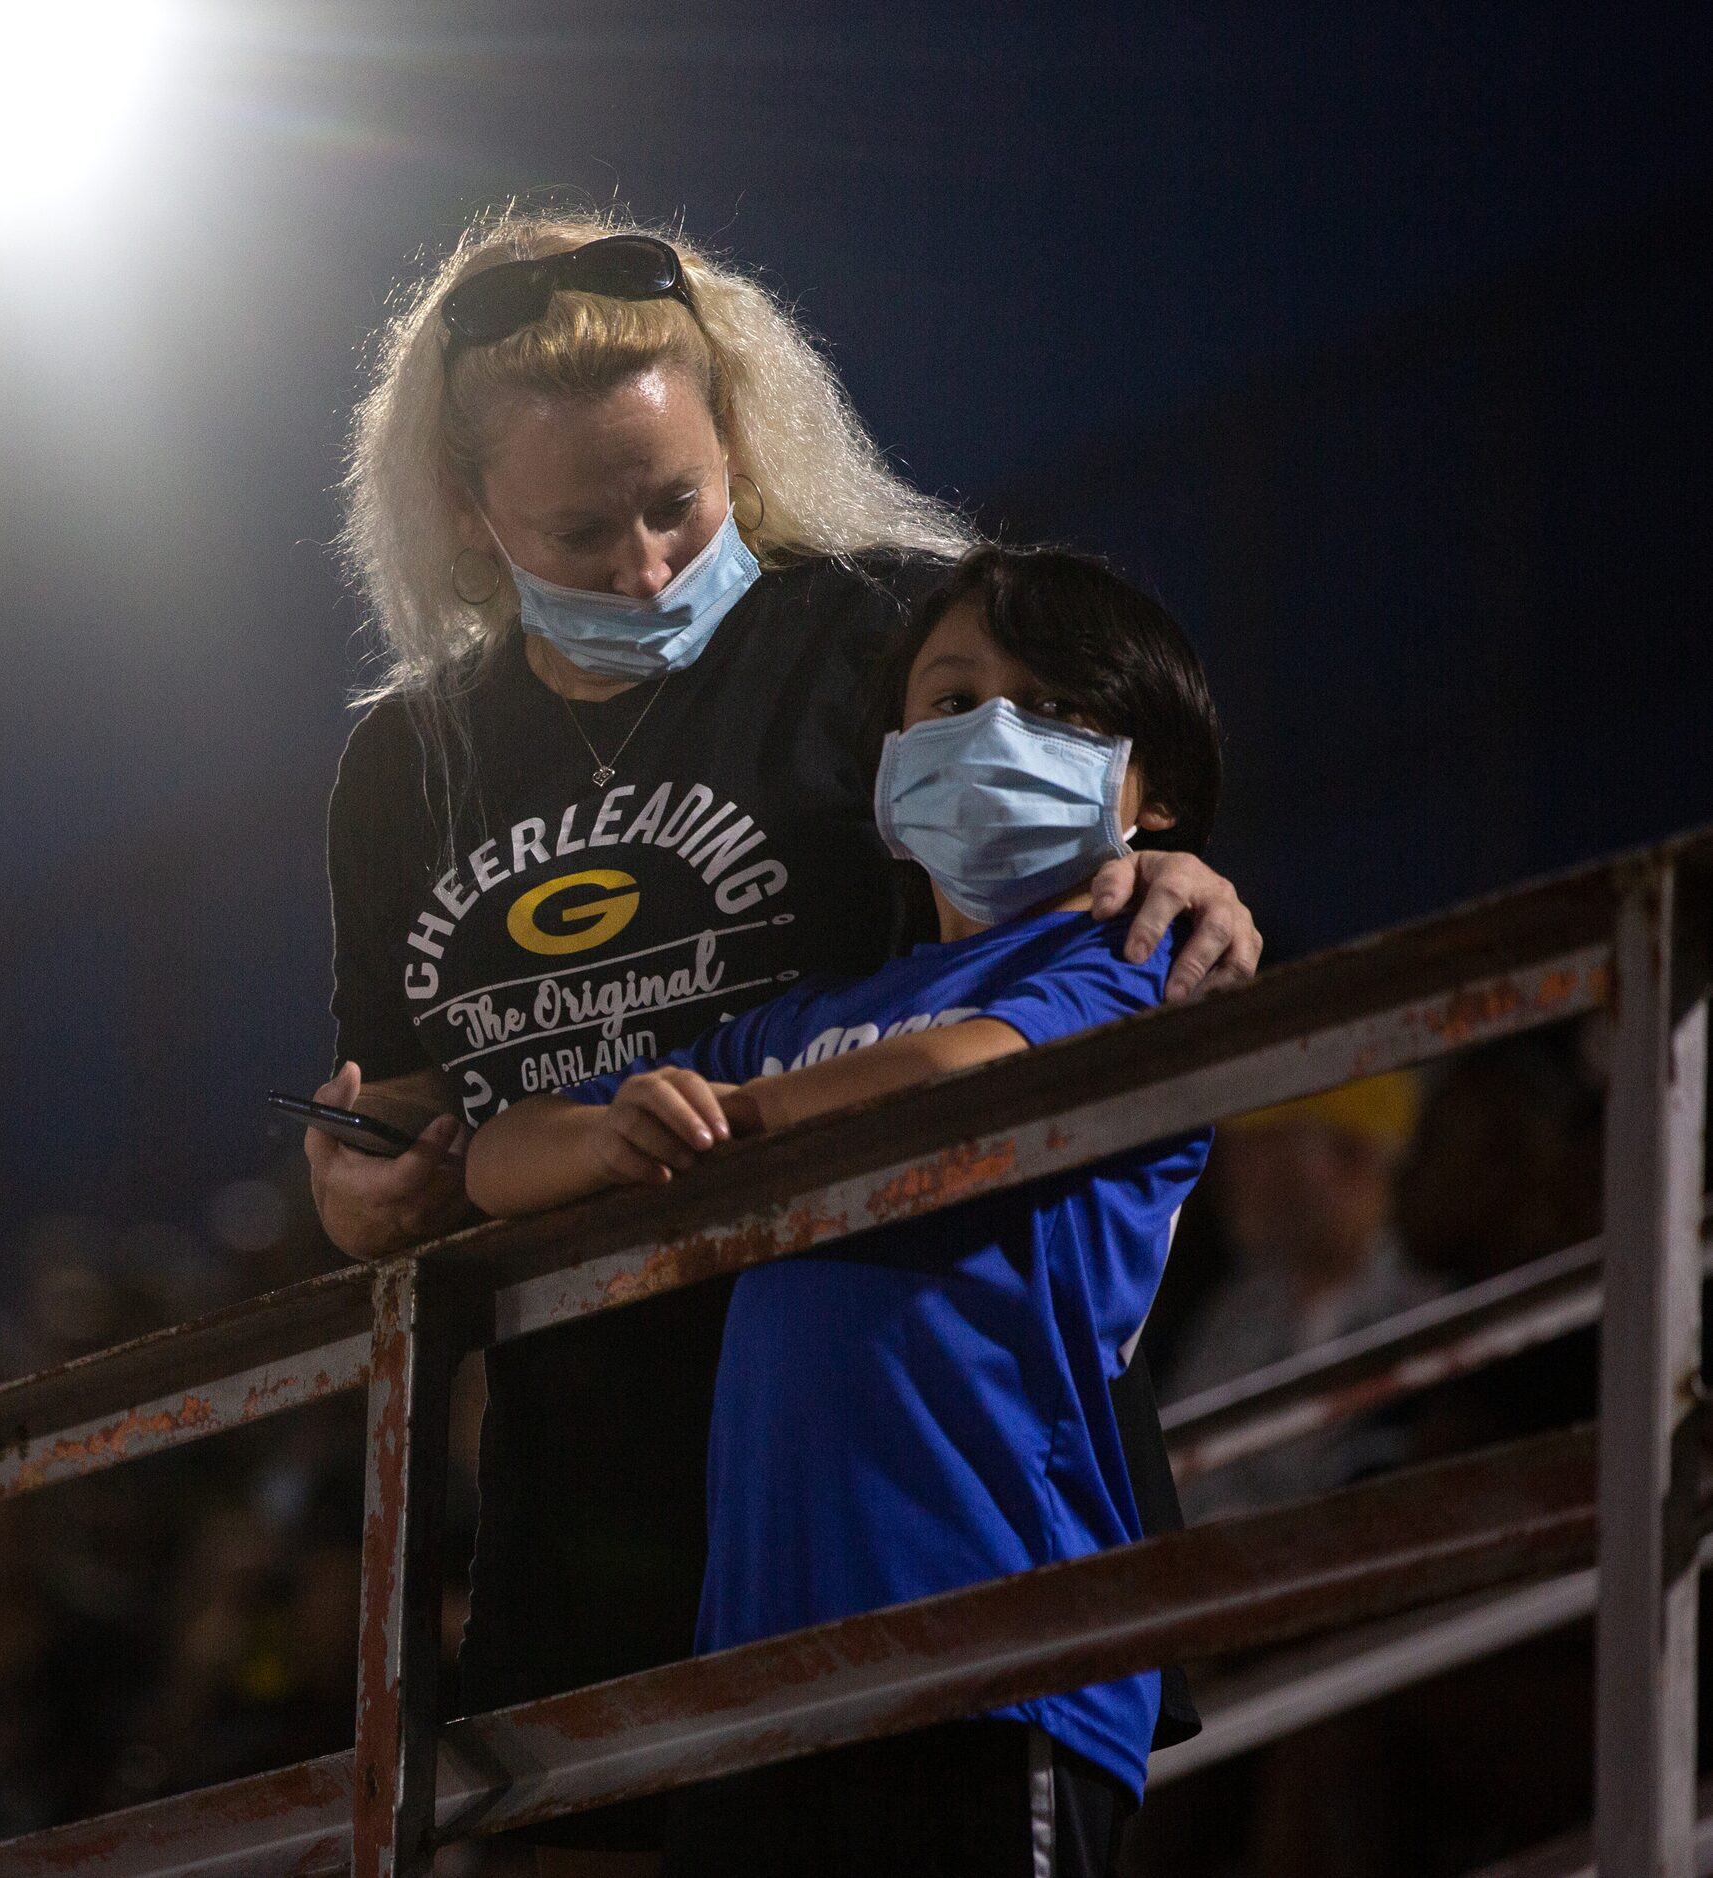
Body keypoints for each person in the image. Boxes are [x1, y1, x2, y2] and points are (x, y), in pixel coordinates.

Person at [314, 206, 1259, 1867]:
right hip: (587, 1492)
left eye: (677, 501)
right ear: (468, 518)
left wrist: (1170, 860)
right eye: (579, 527)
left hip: (922, 1465)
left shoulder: (871, 632)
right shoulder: (406, 763)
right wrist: (360, 1185)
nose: (648, 565)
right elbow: (401, 1115)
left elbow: (1063, 799)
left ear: (736, 435)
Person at [468, 546, 1223, 1876]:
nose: (993, 728)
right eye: (948, 699)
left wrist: (728, 1124)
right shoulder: (801, 1022)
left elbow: (964, 1072)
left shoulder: (1124, 964)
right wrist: (608, 1129)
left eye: (1057, 710)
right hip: (756, 1689)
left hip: (996, 1651)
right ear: (884, 776)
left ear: (1151, 792)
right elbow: (496, 1160)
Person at [1162, 1074, 1438, 1520]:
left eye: (1266, 1140)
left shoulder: (1429, 1327)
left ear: (1353, 1155)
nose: (1232, 1166)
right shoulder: (1234, 1314)